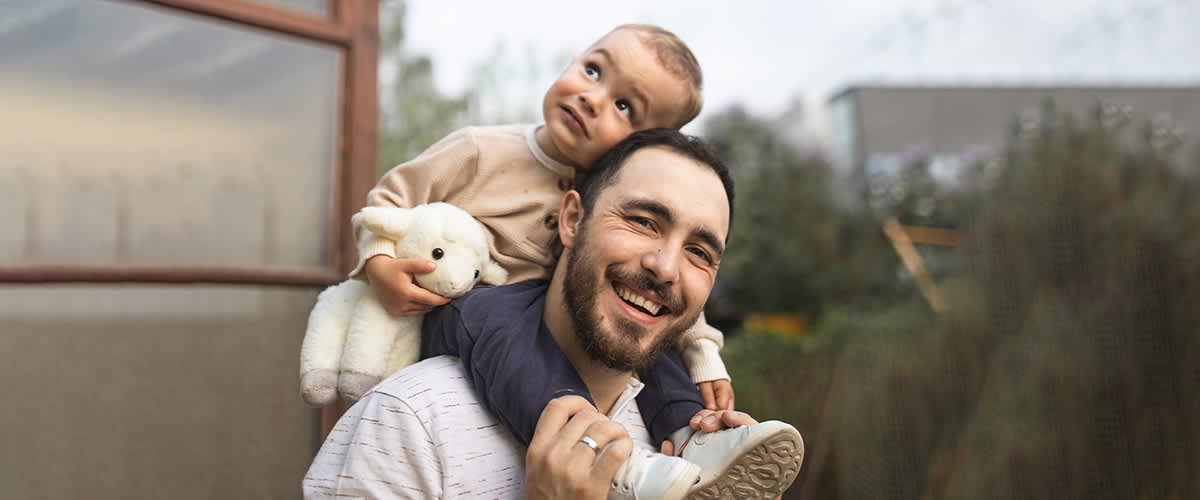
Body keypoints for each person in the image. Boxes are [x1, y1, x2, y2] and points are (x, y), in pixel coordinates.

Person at [320, 23, 749, 495]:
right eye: (592, 70)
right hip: (470, 311)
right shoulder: (481, 150)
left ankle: (691, 435)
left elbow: (687, 314)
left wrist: (705, 357)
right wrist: (381, 263)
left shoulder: (613, 187)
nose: (591, 97)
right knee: (500, 321)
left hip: (538, 321)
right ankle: (584, 442)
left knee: (660, 347)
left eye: (624, 107)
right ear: (572, 218)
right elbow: (388, 203)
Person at [304, 129, 804, 499]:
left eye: (700, 252)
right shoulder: (407, 422)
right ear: (571, 219)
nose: (666, 268)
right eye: (643, 221)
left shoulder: (689, 443)